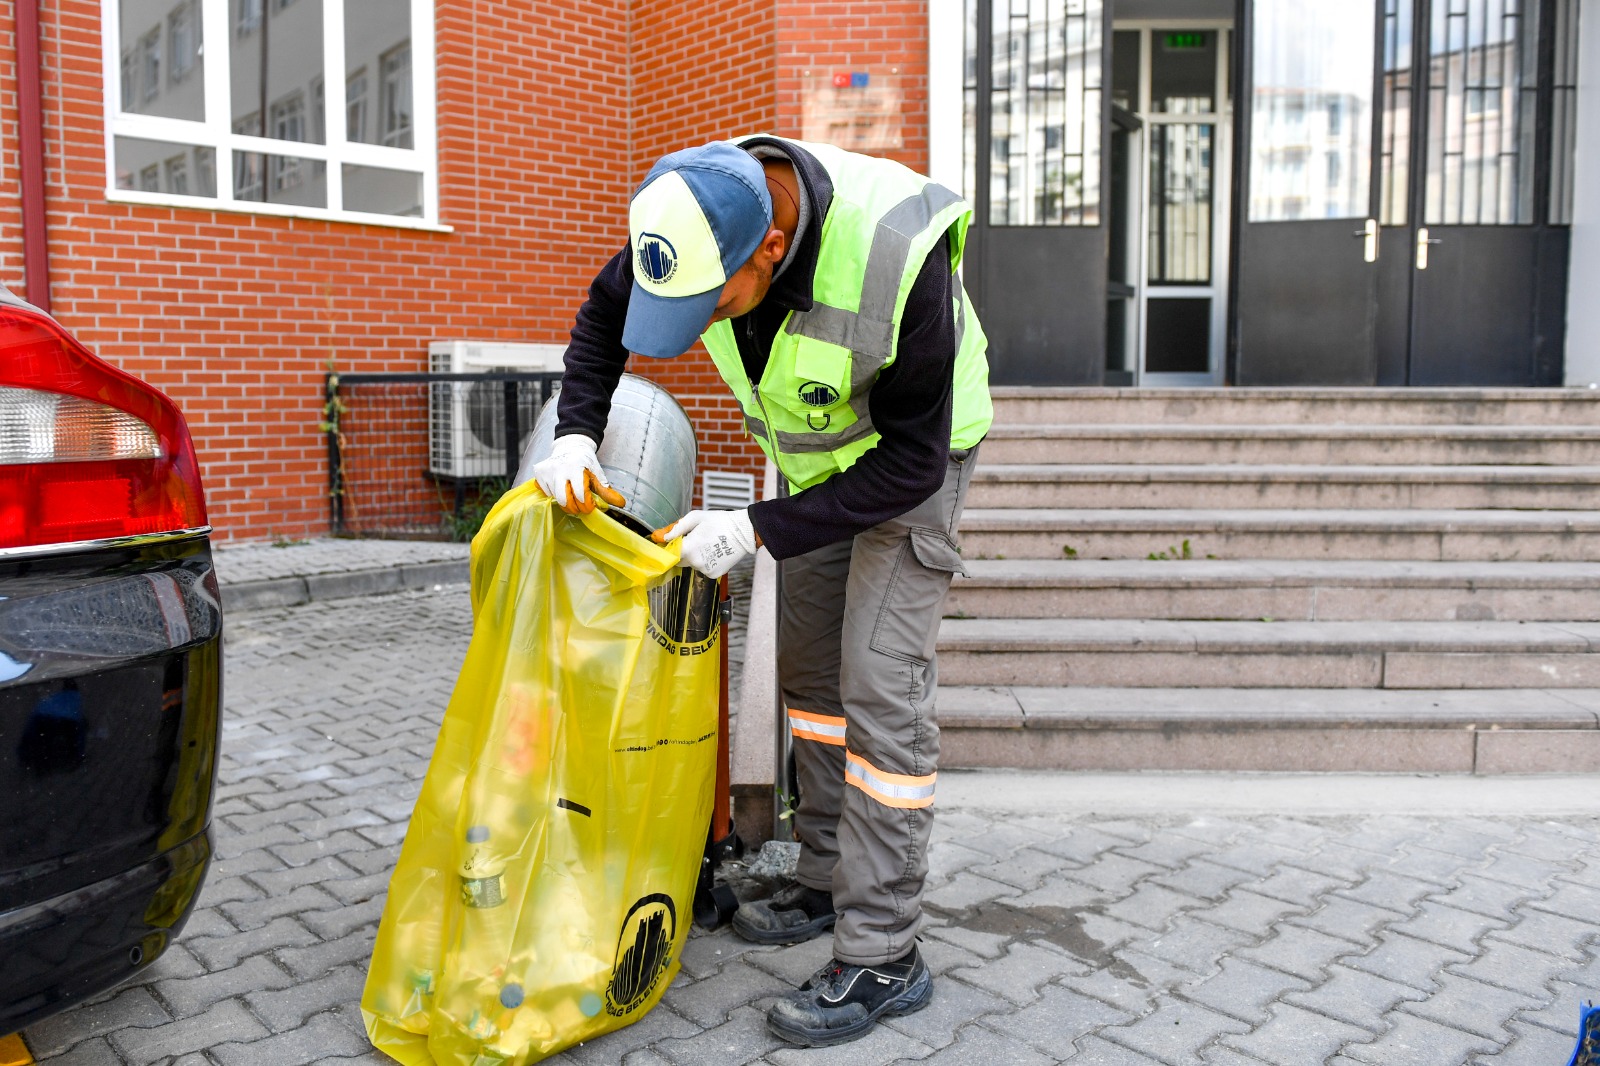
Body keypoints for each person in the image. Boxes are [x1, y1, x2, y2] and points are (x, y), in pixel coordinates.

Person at [532, 135, 992, 1048]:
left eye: (713, 302)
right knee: (812, 680)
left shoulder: (899, 250)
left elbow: (910, 460)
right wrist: (576, 433)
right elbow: (603, 316)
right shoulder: (693, 215)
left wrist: (753, 529)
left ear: (771, 251)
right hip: (815, 462)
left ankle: (885, 954)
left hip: (916, 467)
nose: (698, 317)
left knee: (876, 682)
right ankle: (823, 878)